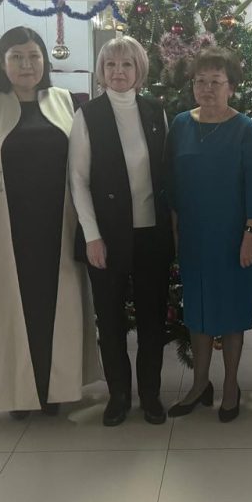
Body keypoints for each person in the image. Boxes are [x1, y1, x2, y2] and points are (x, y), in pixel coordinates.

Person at [0, 26, 99, 418]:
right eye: (16, 56)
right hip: (4, 227)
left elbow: (83, 166)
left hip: (57, 227)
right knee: (12, 307)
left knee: (54, 305)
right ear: (2, 62)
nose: (26, 64)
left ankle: (55, 389)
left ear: (44, 61)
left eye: (34, 56)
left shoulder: (66, 101)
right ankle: (17, 392)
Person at [69, 36, 172, 427]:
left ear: (139, 70)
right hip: (107, 236)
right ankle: (118, 395)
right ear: (101, 71)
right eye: (110, 65)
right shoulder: (88, 115)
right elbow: (78, 180)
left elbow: (164, 173)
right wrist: (92, 236)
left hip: (151, 234)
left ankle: (150, 394)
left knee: (151, 321)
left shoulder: (156, 111)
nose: (118, 72)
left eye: (126, 64)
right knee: (110, 320)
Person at [166, 47, 252, 423]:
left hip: (233, 237)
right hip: (194, 236)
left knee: (230, 313)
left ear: (231, 87)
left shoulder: (244, 129)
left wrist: (250, 234)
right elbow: (171, 183)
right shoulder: (180, 125)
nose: (207, 88)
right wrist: (174, 230)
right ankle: (199, 384)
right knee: (196, 313)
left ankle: (230, 385)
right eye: (201, 81)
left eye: (216, 81)